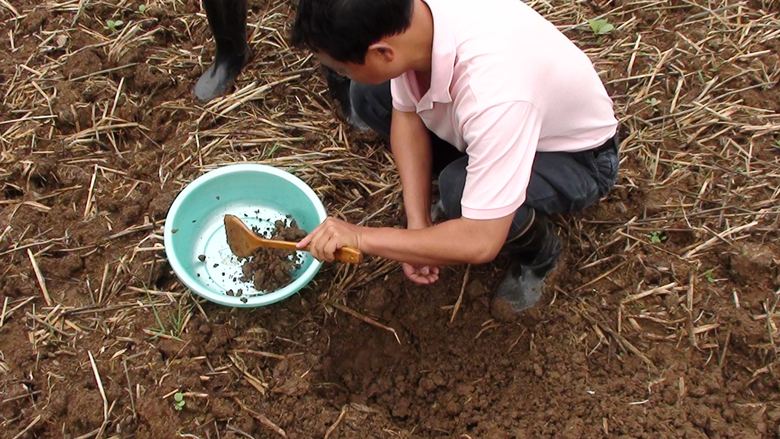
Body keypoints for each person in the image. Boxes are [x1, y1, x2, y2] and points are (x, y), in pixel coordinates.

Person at [291, 0, 620, 319]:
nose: (340, 74)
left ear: (383, 53)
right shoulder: (414, 23)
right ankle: (481, 180)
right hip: (501, 126)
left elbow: (481, 240)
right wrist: (417, 224)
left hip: (576, 158)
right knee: (370, 96)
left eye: (341, 68)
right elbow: (406, 115)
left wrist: (361, 237)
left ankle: (542, 256)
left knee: (458, 191)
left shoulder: (494, 93)